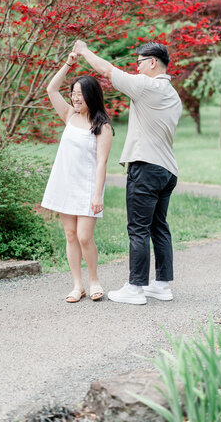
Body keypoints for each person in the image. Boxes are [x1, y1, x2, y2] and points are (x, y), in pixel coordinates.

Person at [74, 40, 182, 305]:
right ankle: (162, 285)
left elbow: (108, 71)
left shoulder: (147, 86)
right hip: (167, 170)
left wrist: (85, 50)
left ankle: (135, 288)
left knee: (138, 229)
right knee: (159, 227)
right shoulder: (173, 94)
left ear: (152, 62)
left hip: (145, 168)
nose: (137, 66)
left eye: (139, 62)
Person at [41, 51, 113, 303]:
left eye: (80, 95)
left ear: (92, 96)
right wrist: (69, 63)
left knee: (84, 236)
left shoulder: (102, 126)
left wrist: (97, 194)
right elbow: (51, 89)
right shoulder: (69, 115)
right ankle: (77, 284)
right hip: (65, 184)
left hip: (87, 187)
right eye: (73, 94)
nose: (75, 98)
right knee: (70, 236)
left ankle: (94, 280)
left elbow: (102, 162)